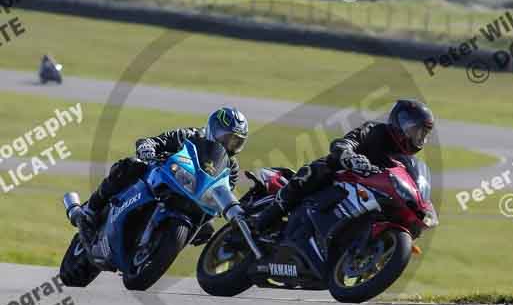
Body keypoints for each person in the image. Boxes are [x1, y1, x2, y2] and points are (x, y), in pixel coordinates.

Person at [253, 99, 434, 233]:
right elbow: (345, 143)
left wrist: (422, 204)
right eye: (415, 131)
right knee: (315, 172)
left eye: (423, 134)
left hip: (370, 194)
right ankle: (265, 219)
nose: (419, 138)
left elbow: (412, 185)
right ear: (401, 124)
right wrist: (349, 156)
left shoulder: (406, 161)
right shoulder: (375, 131)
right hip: (342, 175)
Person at [79, 107, 249, 245]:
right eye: (226, 137)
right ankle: (91, 209)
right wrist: (148, 149)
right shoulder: (190, 135)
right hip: (168, 179)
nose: (229, 144)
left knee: (207, 230)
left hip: (196, 200)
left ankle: (160, 244)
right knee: (131, 165)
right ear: (214, 129)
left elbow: (225, 193)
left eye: (236, 142)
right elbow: (156, 142)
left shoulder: (231, 168)